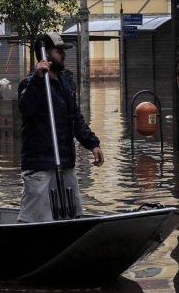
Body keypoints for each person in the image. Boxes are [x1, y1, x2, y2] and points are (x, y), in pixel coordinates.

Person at [17, 32, 104, 223]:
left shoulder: (66, 83)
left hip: (64, 162)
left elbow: (75, 118)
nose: (63, 55)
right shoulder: (30, 83)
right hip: (40, 165)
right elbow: (26, 108)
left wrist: (92, 144)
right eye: (59, 51)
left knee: (71, 214)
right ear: (45, 54)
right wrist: (39, 80)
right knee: (33, 218)